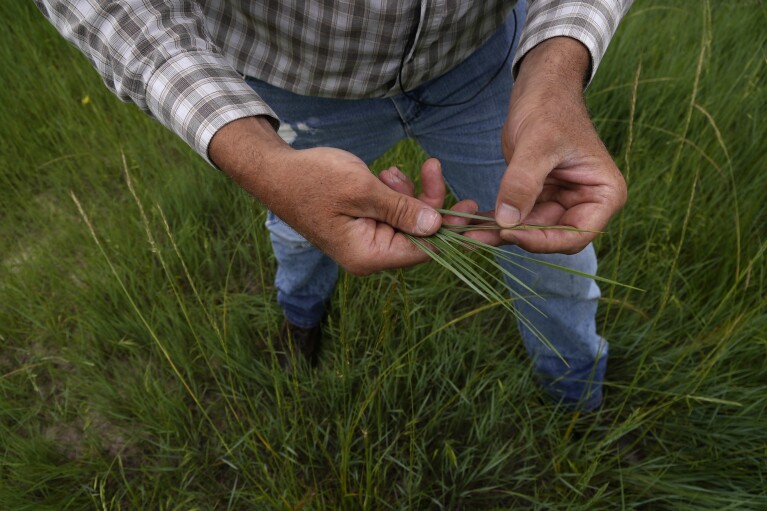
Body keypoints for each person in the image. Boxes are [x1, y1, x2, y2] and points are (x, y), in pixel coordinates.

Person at [36, 0, 632, 411]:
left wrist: (554, 71)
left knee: (553, 253)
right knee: (300, 231)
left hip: (485, 63)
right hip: (295, 82)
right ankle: (301, 321)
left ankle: (577, 399)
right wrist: (262, 160)